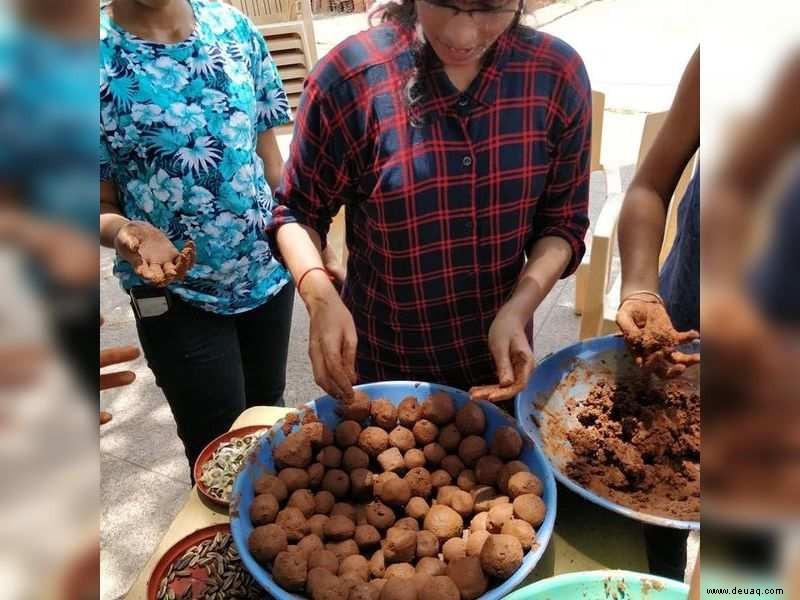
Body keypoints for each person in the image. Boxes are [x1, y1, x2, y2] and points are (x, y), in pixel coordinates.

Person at [270, 0, 591, 404]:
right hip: (383, 365)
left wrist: (520, 308)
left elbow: (561, 224)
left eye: (492, 8)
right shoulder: (350, 78)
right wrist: (319, 297)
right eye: (444, 4)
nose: (463, 36)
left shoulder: (556, 76)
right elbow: (297, 211)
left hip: (498, 365)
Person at [99, 0, 317, 473]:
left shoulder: (233, 30)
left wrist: (308, 244)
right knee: (218, 450)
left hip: (264, 276)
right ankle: (223, 545)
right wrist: (125, 234)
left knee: (268, 423)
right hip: (174, 297)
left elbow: (271, 167)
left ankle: (264, 543)